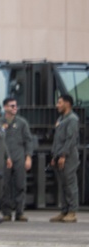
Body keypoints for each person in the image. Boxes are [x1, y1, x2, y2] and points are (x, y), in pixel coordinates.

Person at [0, 97, 36, 221]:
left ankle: (20, 212)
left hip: (19, 157)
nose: (14, 108)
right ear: (5, 107)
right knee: (5, 185)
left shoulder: (22, 123)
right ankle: (6, 212)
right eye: (11, 106)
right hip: (5, 159)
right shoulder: (0, 123)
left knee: (20, 184)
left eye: (15, 106)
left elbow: (28, 141)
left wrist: (28, 157)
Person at [49, 94, 80, 223]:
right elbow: (58, 140)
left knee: (70, 183)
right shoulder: (61, 119)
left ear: (67, 104)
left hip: (68, 157)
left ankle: (72, 212)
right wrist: (54, 156)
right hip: (59, 155)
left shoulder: (72, 119)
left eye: (59, 103)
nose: (57, 105)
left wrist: (63, 155)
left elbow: (70, 139)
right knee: (62, 184)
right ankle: (64, 210)